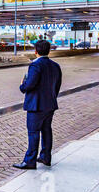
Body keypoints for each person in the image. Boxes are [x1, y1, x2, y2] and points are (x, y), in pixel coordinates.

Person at [13, 40, 62, 170]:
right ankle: (46, 157)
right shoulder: (55, 66)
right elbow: (57, 86)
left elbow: (30, 84)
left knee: (33, 132)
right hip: (50, 104)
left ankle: (30, 161)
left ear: (36, 51)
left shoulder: (35, 66)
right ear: (49, 51)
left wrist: (22, 85)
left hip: (36, 106)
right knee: (47, 130)